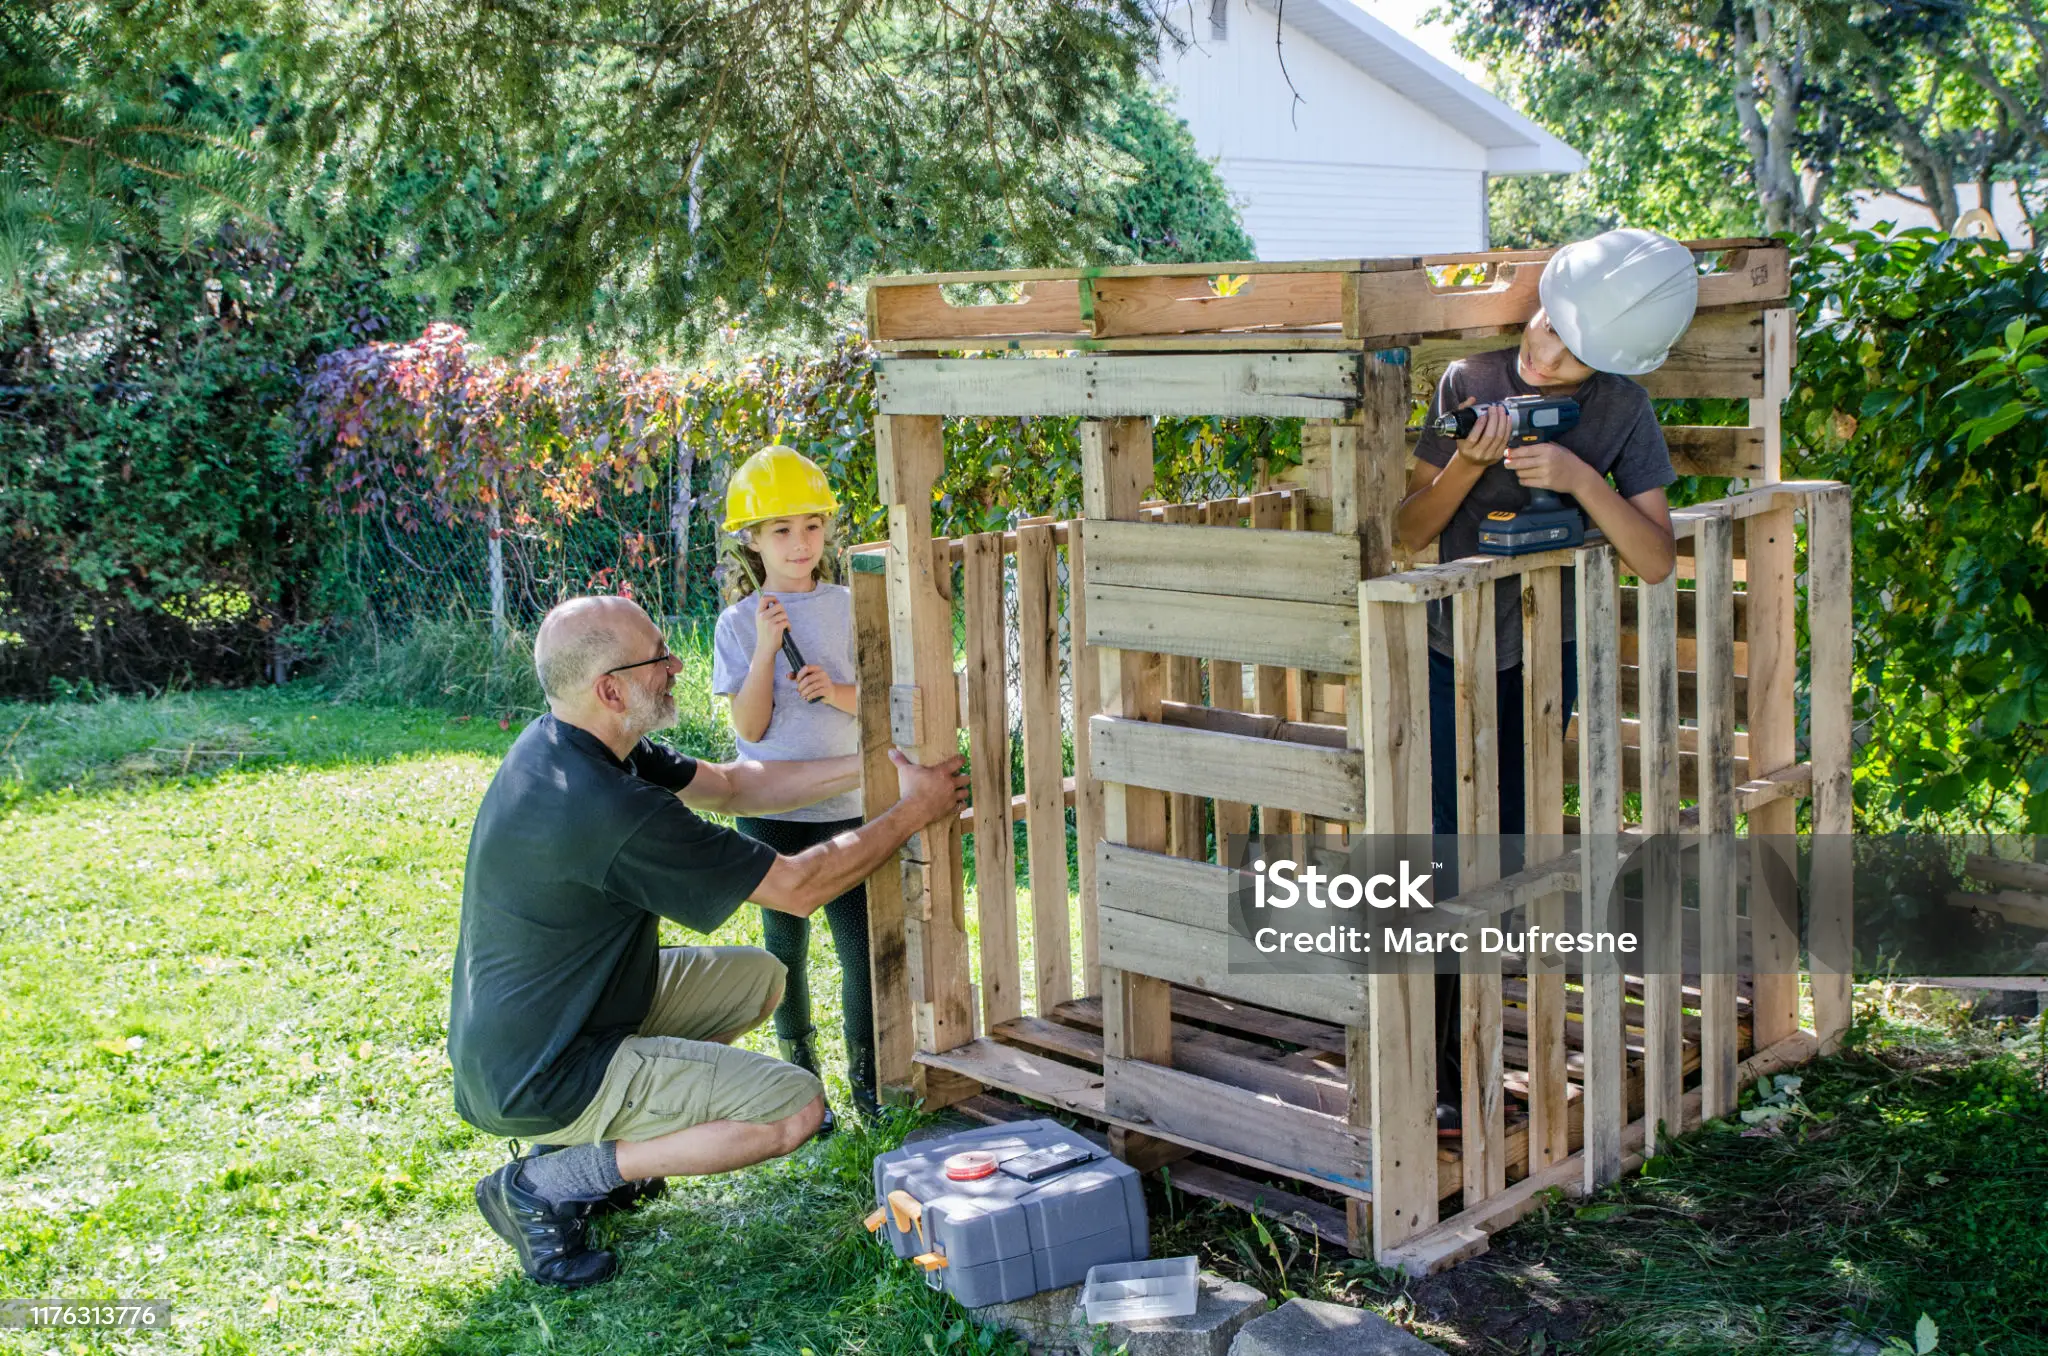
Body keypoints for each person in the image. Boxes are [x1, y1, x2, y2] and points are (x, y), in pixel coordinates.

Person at [448, 593, 967, 1289]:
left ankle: (606, 1144)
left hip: (542, 1030)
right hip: (544, 1072)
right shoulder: (606, 808)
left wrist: (877, 766)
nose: (677, 664)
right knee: (793, 1109)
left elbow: (732, 786)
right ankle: (547, 1179)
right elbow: (798, 886)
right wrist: (912, 812)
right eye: (658, 656)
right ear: (610, 688)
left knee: (759, 977)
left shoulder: (576, 743)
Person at [1394, 227, 1697, 1134]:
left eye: (1568, 348)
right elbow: (1410, 530)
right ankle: (1446, 1079)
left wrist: (1577, 479)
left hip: (1542, 660)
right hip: (1448, 653)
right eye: (1543, 324)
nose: (1543, 348)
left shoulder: (1621, 411)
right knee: (1446, 861)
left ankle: (1505, 1048)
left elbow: (1653, 558)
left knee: (1515, 859)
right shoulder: (1467, 383)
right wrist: (1468, 466)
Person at [710, 445, 875, 1126]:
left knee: (861, 949)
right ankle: (804, 1083)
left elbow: (885, 700)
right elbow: (748, 723)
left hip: (848, 808)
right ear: (752, 540)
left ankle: (869, 1080)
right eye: (781, 530)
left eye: (811, 526)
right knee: (785, 953)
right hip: (773, 815)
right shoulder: (738, 623)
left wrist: (836, 693)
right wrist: (769, 649)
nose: (801, 543)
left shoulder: (851, 606)